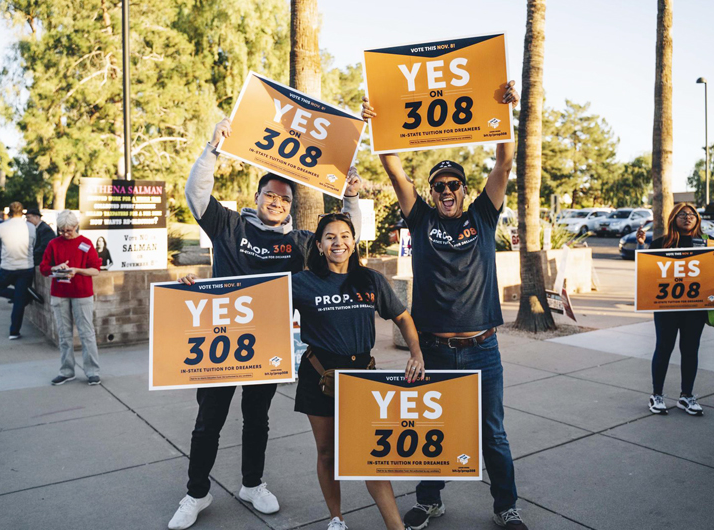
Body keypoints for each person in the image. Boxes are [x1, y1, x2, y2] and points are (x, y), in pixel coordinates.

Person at [165, 118, 363, 530]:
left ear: (290, 206)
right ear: (256, 196)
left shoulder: (301, 243)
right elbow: (196, 195)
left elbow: (345, 238)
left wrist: (350, 197)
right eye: (269, 195)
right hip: (220, 340)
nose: (276, 202)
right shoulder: (229, 224)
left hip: (266, 344)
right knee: (209, 422)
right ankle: (196, 493)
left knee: (258, 418)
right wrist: (212, 149)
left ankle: (251, 485)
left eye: (284, 199)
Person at [362, 82, 527, 530]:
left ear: (464, 188)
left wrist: (503, 113)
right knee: (426, 427)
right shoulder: (422, 218)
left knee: (492, 433)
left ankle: (505, 507)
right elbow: (397, 173)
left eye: (453, 184)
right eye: (439, 186)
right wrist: (379, 123)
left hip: (482, 348)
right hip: (434, 349)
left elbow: (504, 161)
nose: (446, 190)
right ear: (433, 193)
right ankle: (430, 499)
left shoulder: (482, 214)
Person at [292, 213, 425, 530]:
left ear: (354, 241)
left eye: (344, 235)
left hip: (363, 377)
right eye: (330, 236)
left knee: (372, 456)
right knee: (327, 453)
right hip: (318, 374)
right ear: (320, 245)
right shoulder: (301, 282)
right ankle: (336, 518)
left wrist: (417, 352)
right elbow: (256, 302)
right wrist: (194, 288)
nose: (338, 241)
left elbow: (403, 317)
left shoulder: (371, 280)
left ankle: (396, 527)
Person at [637, 203, 714, 416]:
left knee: (690, 351)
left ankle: (686, 396)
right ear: (673, 218)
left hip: (695, 309)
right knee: (664, 348)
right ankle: (657, 395)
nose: (688, 218)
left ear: (697, 219)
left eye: (692, 215)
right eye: (682, 214)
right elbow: (646, 271)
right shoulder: (661, 243)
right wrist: (642, 246)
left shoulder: (708, 243)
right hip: (666, 308)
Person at [40, 210, 102, 386]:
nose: (66, 234)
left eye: (69, 230)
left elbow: (96, 270)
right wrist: (55, 268)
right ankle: (66, 371)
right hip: (60, 293)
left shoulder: (86, 243)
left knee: (86, 333)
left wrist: (77, 270)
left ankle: (92, 371)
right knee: (63, 334)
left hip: (81, 293)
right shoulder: (53, 244)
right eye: (62, 230)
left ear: (76, 226)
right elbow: (44, 268)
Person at [0, 201, 43, 339]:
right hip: (26, 267)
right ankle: (14, 332)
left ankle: (21, 296)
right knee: (19, 301)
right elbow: (34, 243)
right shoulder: (31, 227)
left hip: (8, 266)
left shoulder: (2, 227)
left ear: (9, 212)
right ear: (22, 212)